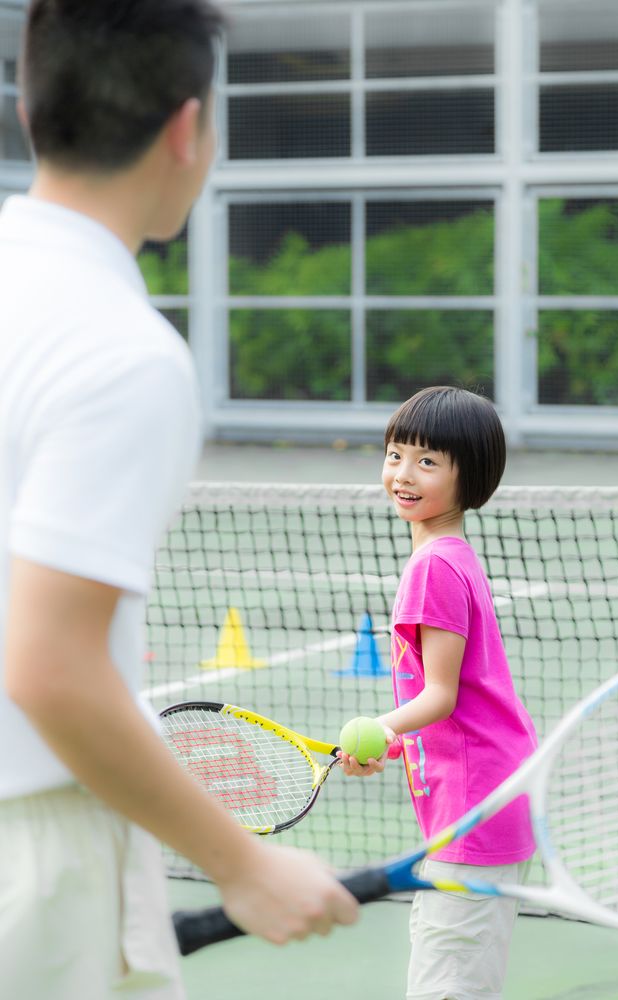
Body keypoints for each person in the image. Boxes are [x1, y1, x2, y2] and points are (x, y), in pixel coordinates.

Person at [0, 3, 357, 998]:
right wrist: (242, 863)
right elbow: (51, 668)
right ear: (188, 129)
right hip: (36, 846)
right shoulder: (121, 354)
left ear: (31, 108)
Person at [339, 386, 538, 1000]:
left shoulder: (433, 567)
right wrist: (393, 745)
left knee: (447, 987)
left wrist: (384, 728)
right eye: (396, 453)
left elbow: (442, 695)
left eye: (427, 461)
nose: (403, 473)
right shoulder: (448, 555)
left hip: (474, 809)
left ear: (467, 476)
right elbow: (442, 700)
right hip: (474, 803)